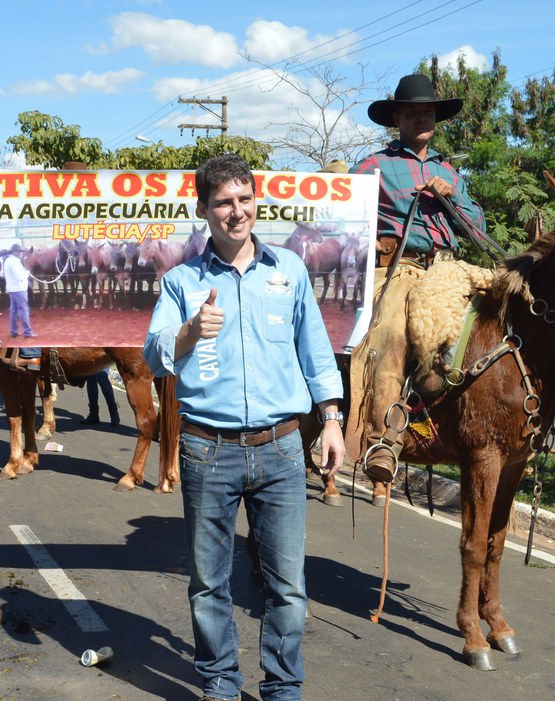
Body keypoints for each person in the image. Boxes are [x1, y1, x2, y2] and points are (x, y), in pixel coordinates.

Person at [144, 154, 345, 701]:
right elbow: (156, 355)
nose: (237, 212)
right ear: (204, 210)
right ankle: (220, 684)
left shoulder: (289, 272)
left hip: (281, 449)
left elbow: (316, 352)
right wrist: (189, 332)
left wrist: (330, 419)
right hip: (208, 450)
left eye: (244, 199)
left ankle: (283, 688)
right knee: (210, 585)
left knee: (287, 587)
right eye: (224, 202)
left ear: (256, 201)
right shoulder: (182, 282)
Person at [348, 73, 486, 485]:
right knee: (392, 332)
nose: (422, 118)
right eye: (413, 112)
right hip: (400, 267)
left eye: (428, 112)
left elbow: (477, 231)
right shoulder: (373, 167)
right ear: (398, 119)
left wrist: (453, 195)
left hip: (449, 270)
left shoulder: (451, 173)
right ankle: (383, 439)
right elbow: (343, 213)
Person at [3, 243, 34, 339]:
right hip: (19, 289)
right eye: (20, 252)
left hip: (12, 289)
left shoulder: (7, 260)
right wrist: (27, 273)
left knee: (14, 310)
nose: (20, 254)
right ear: (16, 252)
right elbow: (20, 277)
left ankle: (14, 331)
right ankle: (27, 332)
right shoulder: (15, 262)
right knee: (24, 310)